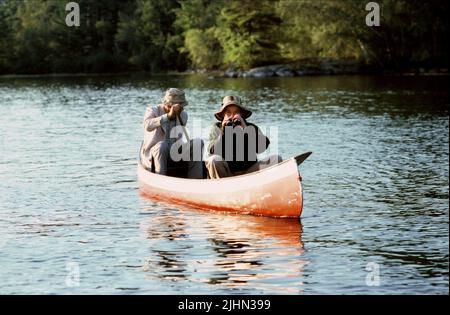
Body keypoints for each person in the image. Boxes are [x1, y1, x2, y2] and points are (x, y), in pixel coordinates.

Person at [205, 95, 282, 179]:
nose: (232, 116)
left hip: (249, 174)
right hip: (226, 175)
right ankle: (221, 188)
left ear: (241, 114)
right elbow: (213, 151)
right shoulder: (216, 128)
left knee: (276, 159)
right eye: (228, 113)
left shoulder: (250, 127)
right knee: (213, 160)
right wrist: (224, 132)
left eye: (236, 112)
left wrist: (245, 128)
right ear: (223, 115)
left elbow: (262, 147)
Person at [140, 88, 204, 178]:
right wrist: (168, 116)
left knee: (198, 142)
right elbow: (147, 126)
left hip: (175, 152)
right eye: (177, 106)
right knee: (162, 146)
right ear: (167, 104)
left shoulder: (183, 115)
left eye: (181, 106)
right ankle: (160, 179)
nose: (180, 108)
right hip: (155, 153)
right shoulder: (153, 110)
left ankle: (197, 180)